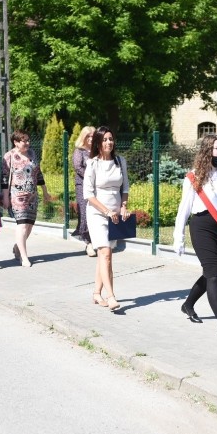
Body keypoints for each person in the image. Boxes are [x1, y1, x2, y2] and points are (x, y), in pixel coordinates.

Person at [172, 134, 217, 336]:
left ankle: (188, 304)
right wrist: (179, 236)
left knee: (213, 273)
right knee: (213, 273)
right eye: (216, 149)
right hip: (202, 227)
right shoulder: (194, 177)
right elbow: (183, 209)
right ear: (206, 151)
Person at [84, 126, 130, 312]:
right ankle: (111, 296)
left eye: (111, 139)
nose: (109, 142)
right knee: (106, 254)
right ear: (98, 143)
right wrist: (106, 211)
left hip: (115, 215)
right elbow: (88, 194)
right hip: (97, 213)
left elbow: (125, 187)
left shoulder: (120, 161)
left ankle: (96, 293)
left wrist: (123, 206)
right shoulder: (92, 164)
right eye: (104, 139)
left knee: (105, 255)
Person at [1, 130, 51, 267]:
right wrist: (5, 197)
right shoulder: (9, 156)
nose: (28, 143)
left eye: (28, 140)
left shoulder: (32, 154)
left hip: (33, 196)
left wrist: (45, 192)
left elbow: (38, 174)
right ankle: (24, 257)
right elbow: (4, 179)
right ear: (16, 142)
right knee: (22, 225)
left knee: (29, 226)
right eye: (24, 141)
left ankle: (17, 247)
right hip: (17, 196)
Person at [72, 126, 96, 257]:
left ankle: (95, 239)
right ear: (84, 137)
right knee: (85, 213)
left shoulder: (97, 151)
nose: (91, 138)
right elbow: (78, 167)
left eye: (93, 136)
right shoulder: (79, 151)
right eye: (88, 136)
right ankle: (88, 242)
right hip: (83, 186)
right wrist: (91, 176)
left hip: (97, 186)